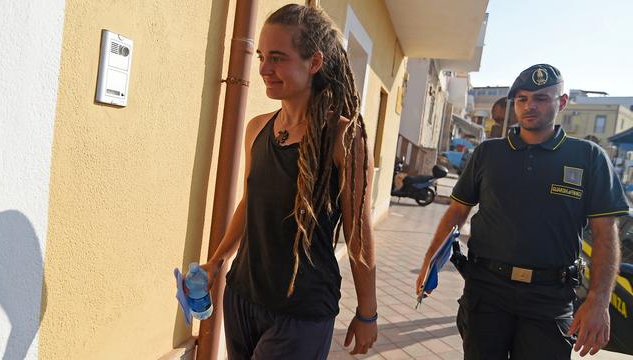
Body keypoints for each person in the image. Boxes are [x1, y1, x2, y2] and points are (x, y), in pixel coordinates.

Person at [195, 4, 377, 359]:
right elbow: (249, 203)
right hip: (243, 297)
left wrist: (367, 312)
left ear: (315, 63)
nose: (264, 68)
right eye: (262, 56)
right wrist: (216, 262)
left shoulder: (344, 139)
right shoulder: (258, 128)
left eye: (277, 58)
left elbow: (359, 233)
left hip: (301, 312)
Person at [415, 64, 629, 359]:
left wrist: (599, 300)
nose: (530, 106)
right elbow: (456, 212)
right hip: (486, 292)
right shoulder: (487, 154)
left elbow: (606, 234)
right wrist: (429, 263)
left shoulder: (589, 158)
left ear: (562, 102)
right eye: (522, 98)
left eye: (541, 98)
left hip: (550, 300)